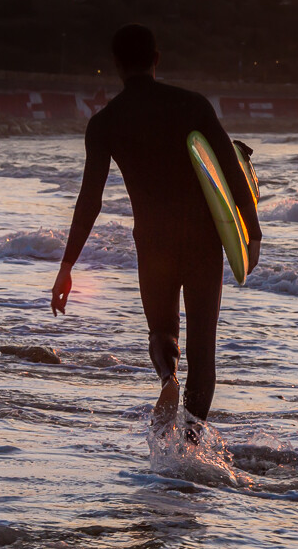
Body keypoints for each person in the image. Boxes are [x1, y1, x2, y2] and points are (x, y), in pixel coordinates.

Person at [52, 24, 261, 430]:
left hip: (153, 244)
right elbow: (233, 173)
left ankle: (167, 378)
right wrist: (252, 232)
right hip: (202, 241)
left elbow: (89, 202)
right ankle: (192, 443)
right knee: (203, 350)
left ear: (116, 65)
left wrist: (67, 267)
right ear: (156, 59)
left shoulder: (105, 123)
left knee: (162, 334)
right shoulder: (192, 106)